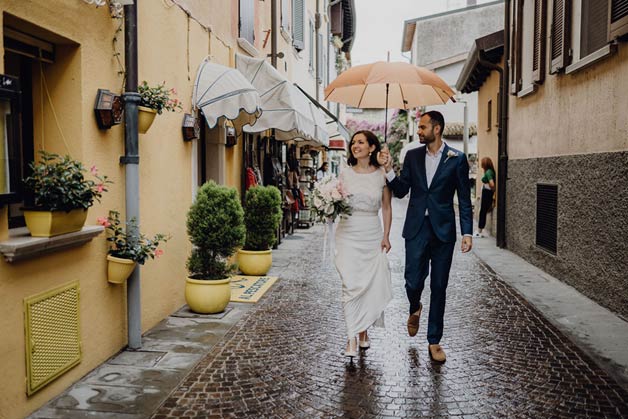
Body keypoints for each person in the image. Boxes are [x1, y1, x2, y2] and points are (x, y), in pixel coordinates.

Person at [378, 110, 473, 364]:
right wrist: (388, 169)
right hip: (416, 228)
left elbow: (464, 198)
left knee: (439, 286)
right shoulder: (412, 156)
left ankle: (434, 340)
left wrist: (467, 232)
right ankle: (415, 306)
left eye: (422, 127)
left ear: (437, 129)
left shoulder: (457, 159)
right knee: (412, 281)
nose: (418, 131)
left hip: (443, 231)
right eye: (418, 128)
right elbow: (400, 191)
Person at [335, 130, 393, 360]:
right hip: (347, 232)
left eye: (360, 142)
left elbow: (387, 208)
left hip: (371, 232)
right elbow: (336, 199)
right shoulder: (344, 173)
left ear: (371, 148)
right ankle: (351, 336)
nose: (355, 145)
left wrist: (386, 235)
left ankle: (363, 330)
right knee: (350, 283)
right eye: (353, 142)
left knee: (367, 284)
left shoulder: (381, 175)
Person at [475, 157, 496, 238]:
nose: (481, 164)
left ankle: (479, 230)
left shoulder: (488, 172)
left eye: (482, 163)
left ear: (485, 164)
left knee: (482, 211)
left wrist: (492, 190)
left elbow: (492, 184)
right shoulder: (490, 171)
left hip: (487, 193)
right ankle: (480, 229)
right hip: (488, 193)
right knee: (483, 211)